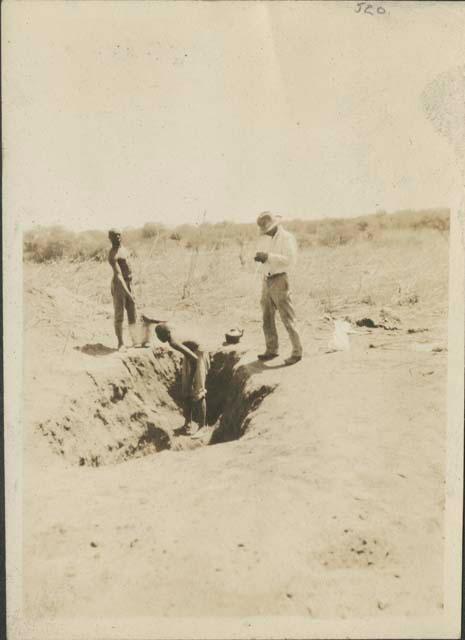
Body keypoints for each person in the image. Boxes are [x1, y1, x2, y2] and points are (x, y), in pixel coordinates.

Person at [254, 212, 303, 365]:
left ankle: (297, 351)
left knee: (287, 317)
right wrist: (263, 259)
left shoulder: (286, 238)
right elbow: (270, 259)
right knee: (267, 317)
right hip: (267, 279)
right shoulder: (270, 239)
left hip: (280, 280)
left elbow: (290, 260)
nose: (265, 231)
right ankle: (272, 349)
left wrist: (267, 256)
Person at [154, 323, 210, 437]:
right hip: (190, 354)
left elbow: (194, 360)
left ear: (167, 334)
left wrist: (190, 380)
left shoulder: (173, 341)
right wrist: (188, 383)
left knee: (199, 392)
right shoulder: (171, 332)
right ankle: (187, 424)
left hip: (198, 353)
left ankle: (203, 427)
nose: (158, 338)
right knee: (186, 391)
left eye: (159, 335)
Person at [108, 228, 138, 350]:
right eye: (115, 236)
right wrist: (129, 294)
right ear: (110, 238)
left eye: (119, 235)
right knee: (119, 315)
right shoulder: (112, 254)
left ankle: (135, 340)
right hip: (119, 285)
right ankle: (120, 343)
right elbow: (119, 276)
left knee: (132, 313)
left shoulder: (124, 250)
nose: (118, 238)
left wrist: (132, 288)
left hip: (129, 283)